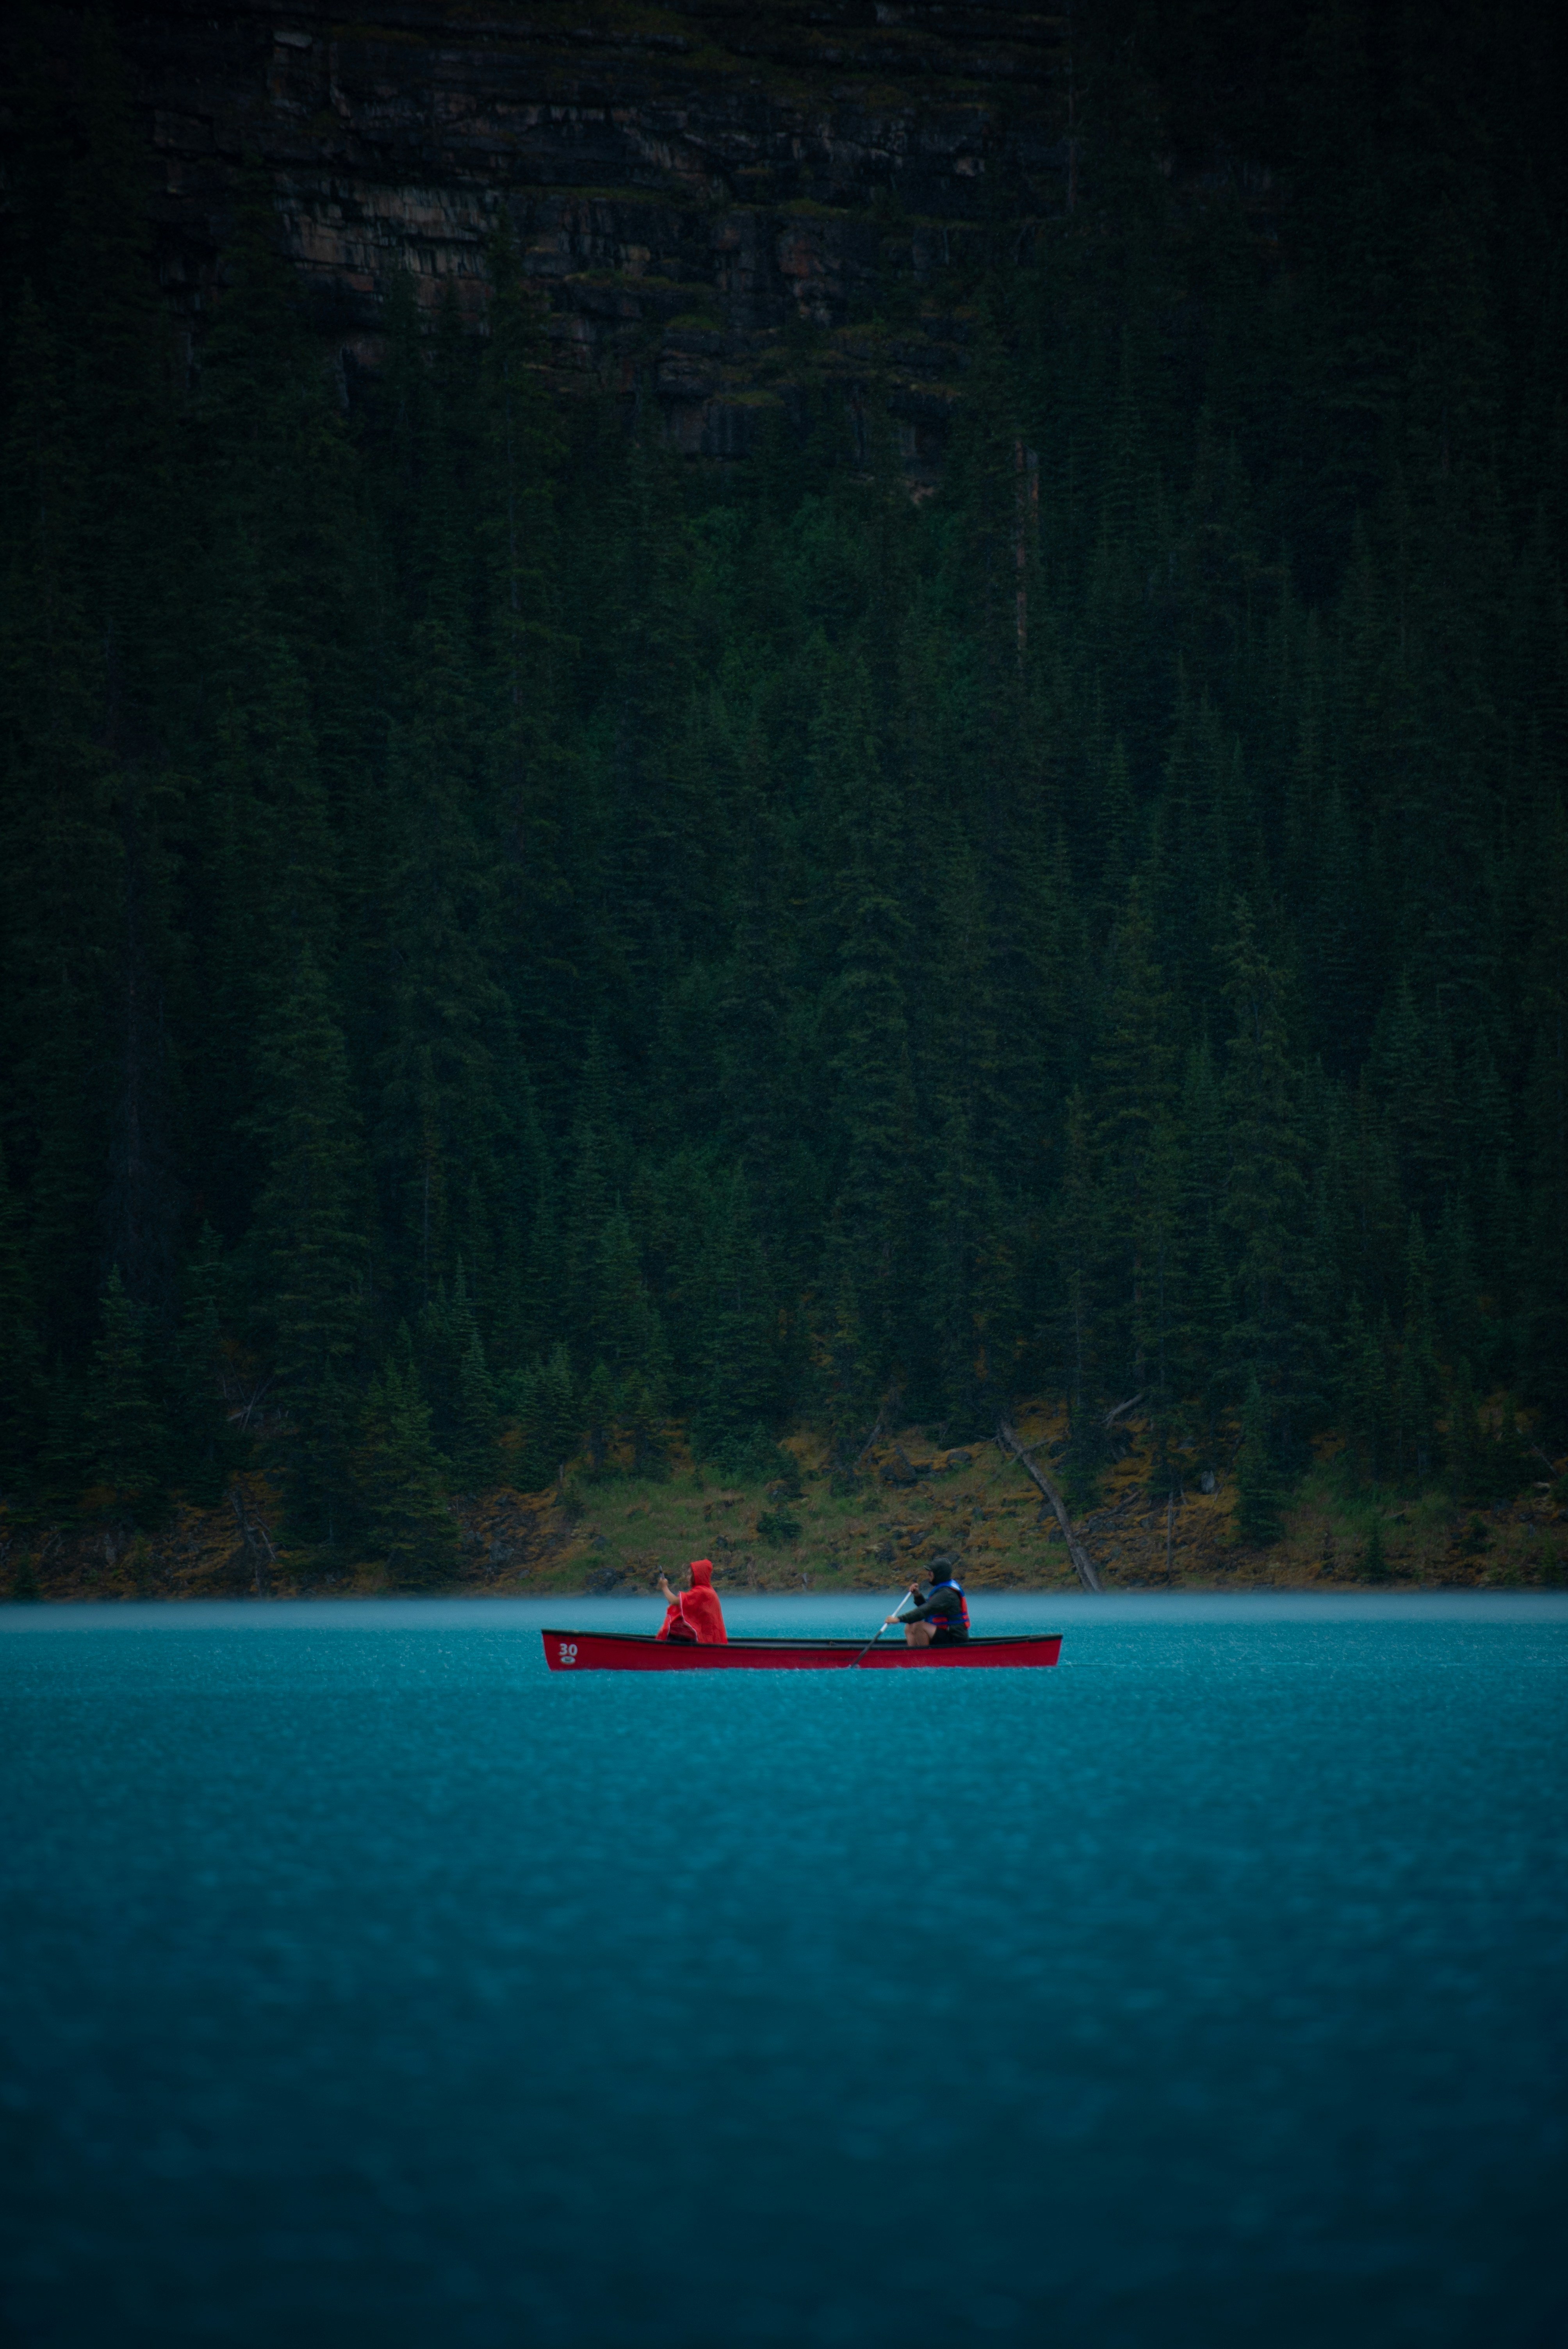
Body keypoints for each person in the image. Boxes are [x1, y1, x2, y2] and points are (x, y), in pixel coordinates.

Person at [890, 1557, 969, 1647]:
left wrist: (899, 1619)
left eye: (931, 1572)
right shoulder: (943, 1590)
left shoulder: (947, 1594)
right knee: (910, 1626)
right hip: (945, 1635)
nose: (929, 1574)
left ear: (939, 1574)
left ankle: (925, 1659)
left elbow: (926, 1610)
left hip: (956, 1639)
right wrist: (918, 1595)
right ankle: (913, 1657)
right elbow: (929, 1610)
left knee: (919, 1627)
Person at [655, 1558, 727, 1645]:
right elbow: (679, 1604)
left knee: (675, 1632)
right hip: (706, 1638)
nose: (687, 1577)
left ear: (698, 1575)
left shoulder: (702, 1592)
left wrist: (664, 1587)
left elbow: (674, 1601)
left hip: (701, 1640)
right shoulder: (707, 1590)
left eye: (690, 1574)